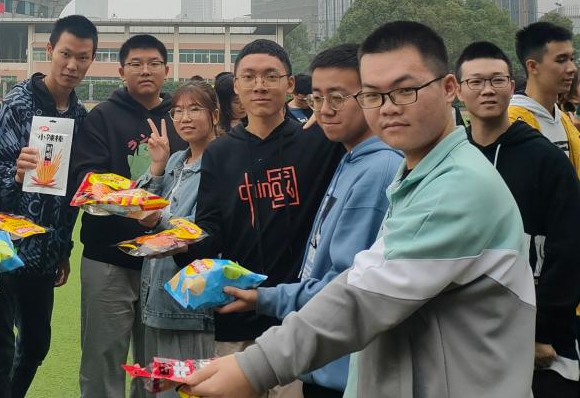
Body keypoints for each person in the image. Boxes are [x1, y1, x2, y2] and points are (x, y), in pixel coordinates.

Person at [182, 21, 536, 398]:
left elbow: (364, 296)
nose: (387, 108)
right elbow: (364, 277)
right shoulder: (414, 173)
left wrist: (255, 367)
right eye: (373, 95)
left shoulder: (456, 186)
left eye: (405, 91)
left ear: (449, 88)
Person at [213, 44, 402, 398]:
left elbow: (346, 283)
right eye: (317, 98)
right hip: (312, 347)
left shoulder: (375, 168)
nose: (325, 110)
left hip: (336, 355)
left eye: (338, 98)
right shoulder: (347, 158)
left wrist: (265, 299)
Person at [177, 39, 342, 398]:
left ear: (290, 84)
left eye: (271, 76)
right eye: (249, 77)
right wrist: (177, 240)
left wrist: (330, 110)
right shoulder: (220, 153)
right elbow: (211, 229)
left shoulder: (318, 142)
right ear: (236, 85)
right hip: (236, 310)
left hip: (298, 315)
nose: (260, 85)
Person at [457, 40, 580, 397]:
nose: (488, 90)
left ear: (512, 86)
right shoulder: (453, 158)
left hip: (539, 336)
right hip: (467, 331)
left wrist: (543, 331)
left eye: (497, 80)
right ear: (457, 89)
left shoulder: (545, 158)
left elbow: (568, 249)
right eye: (476, 81)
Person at [0, 15, 98, 398]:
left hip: (46, 253)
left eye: (82, 57)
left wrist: (63, 248)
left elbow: (71, 193)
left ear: (91, 59)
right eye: (66, 54)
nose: (72, 65)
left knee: (36, 345)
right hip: (7, 249)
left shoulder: (80, 116)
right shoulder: (18, 104)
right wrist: (16, 175)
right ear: (50, 50)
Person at [69, 33, 185, 398]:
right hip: (108, 258)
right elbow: (87, 179)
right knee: (102, 360)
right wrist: (136, 208)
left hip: (165, 261)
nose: (145, 70)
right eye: (135, 64)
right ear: (121, 71)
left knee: (157, 366)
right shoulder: (102, 117)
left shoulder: (181, 117)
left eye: (154, 63)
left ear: (167, 70)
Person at [134, 81, 220, 392]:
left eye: (195, 109)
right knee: (161, 387)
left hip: (191, 304)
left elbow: (204, 231)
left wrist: (158, 218)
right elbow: (141, 206)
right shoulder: (176, 161)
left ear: (214, 115)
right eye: (178, 111)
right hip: (156, 295)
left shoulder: (221, 163)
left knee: (188, 387)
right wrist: (157, 166)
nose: (185, 118)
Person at [509, 21, 580, 174]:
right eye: (561, 60)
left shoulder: (564, 120)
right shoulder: (511, 123)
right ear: (533, 66)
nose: (572, 68)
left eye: (571, 59)